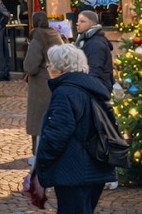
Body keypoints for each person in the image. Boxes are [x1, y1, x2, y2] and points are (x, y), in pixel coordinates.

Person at [33, 45, 117, 214]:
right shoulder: (94, 88)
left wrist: (41, 165)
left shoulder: (65, 92)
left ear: (59, 68)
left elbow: (57, 134)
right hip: (96, 166)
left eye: (50, 64)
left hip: (73, 170)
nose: (48, 68)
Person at [23, 11, 65, 157]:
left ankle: (37, 152)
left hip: (41, 83)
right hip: (57, 81)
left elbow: (30, 66)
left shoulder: (37, 37)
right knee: (54, 117)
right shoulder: (56, 35)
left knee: (38, 119)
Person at [74, 10, 113, 92]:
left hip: (97, 89)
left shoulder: (95, 44)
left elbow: (94, 70)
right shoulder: (85, 40)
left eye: (82, 21)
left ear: (92, 24)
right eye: (77, 21)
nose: (78, 24)